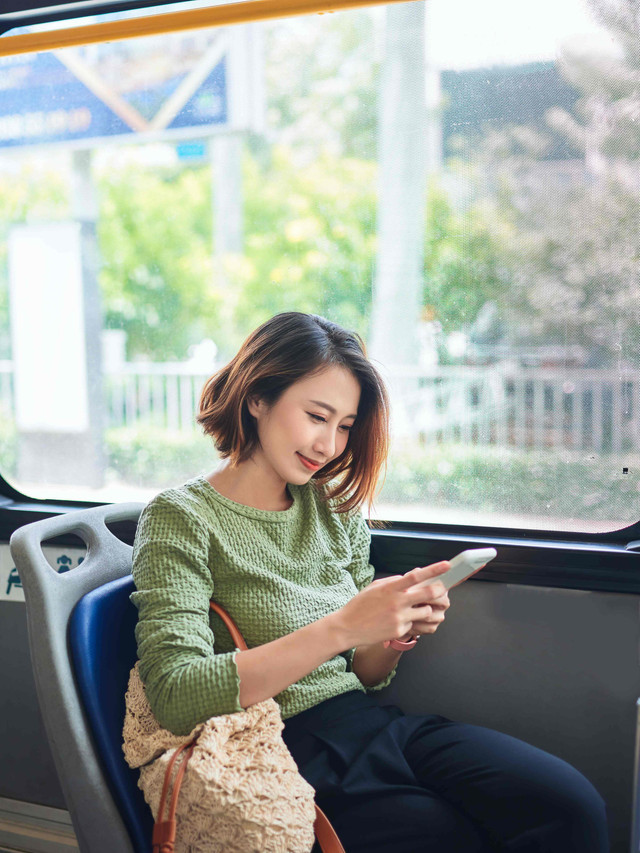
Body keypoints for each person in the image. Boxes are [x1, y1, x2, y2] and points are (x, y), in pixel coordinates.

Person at [131, 311, 609, 852]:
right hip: (281, 747)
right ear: (257, 398)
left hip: (370, 725)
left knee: (569, 805)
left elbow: (364, 675)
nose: (329, 445)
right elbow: (175, 694)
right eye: (317, 416)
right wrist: (342, 627)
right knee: (450, 836)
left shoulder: (333, 511)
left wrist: (391, 633)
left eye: (345, 426)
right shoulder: (181, 517)